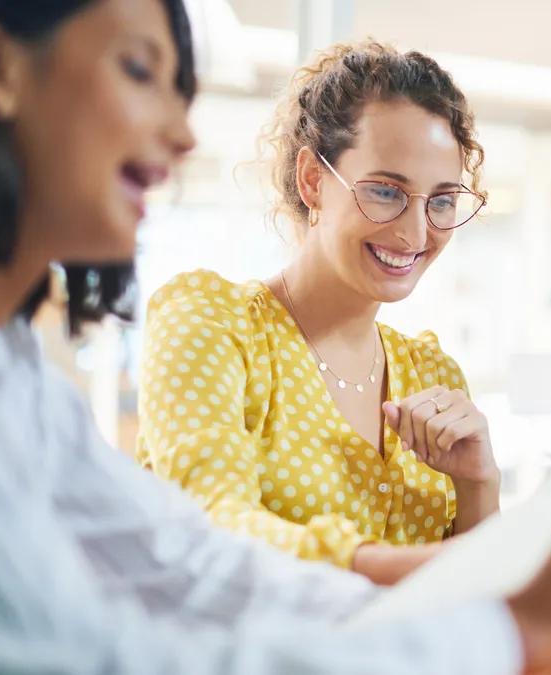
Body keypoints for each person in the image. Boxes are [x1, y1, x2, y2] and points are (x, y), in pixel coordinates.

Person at [0, 1, 551, 673]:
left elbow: (182, 562)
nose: (181, 136)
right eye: (139, 72)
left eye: (443, 200)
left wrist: (489, 577)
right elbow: (94, 648)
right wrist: (522, 624)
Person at [135, 42, 500, 585]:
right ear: (312, 179)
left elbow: (478, 612)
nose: (417, 232)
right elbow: (208, 527)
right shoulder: (213, 327)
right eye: (384, 191)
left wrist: (479, 485)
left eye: (441, 201)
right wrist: (396, 568)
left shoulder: (434, 375)